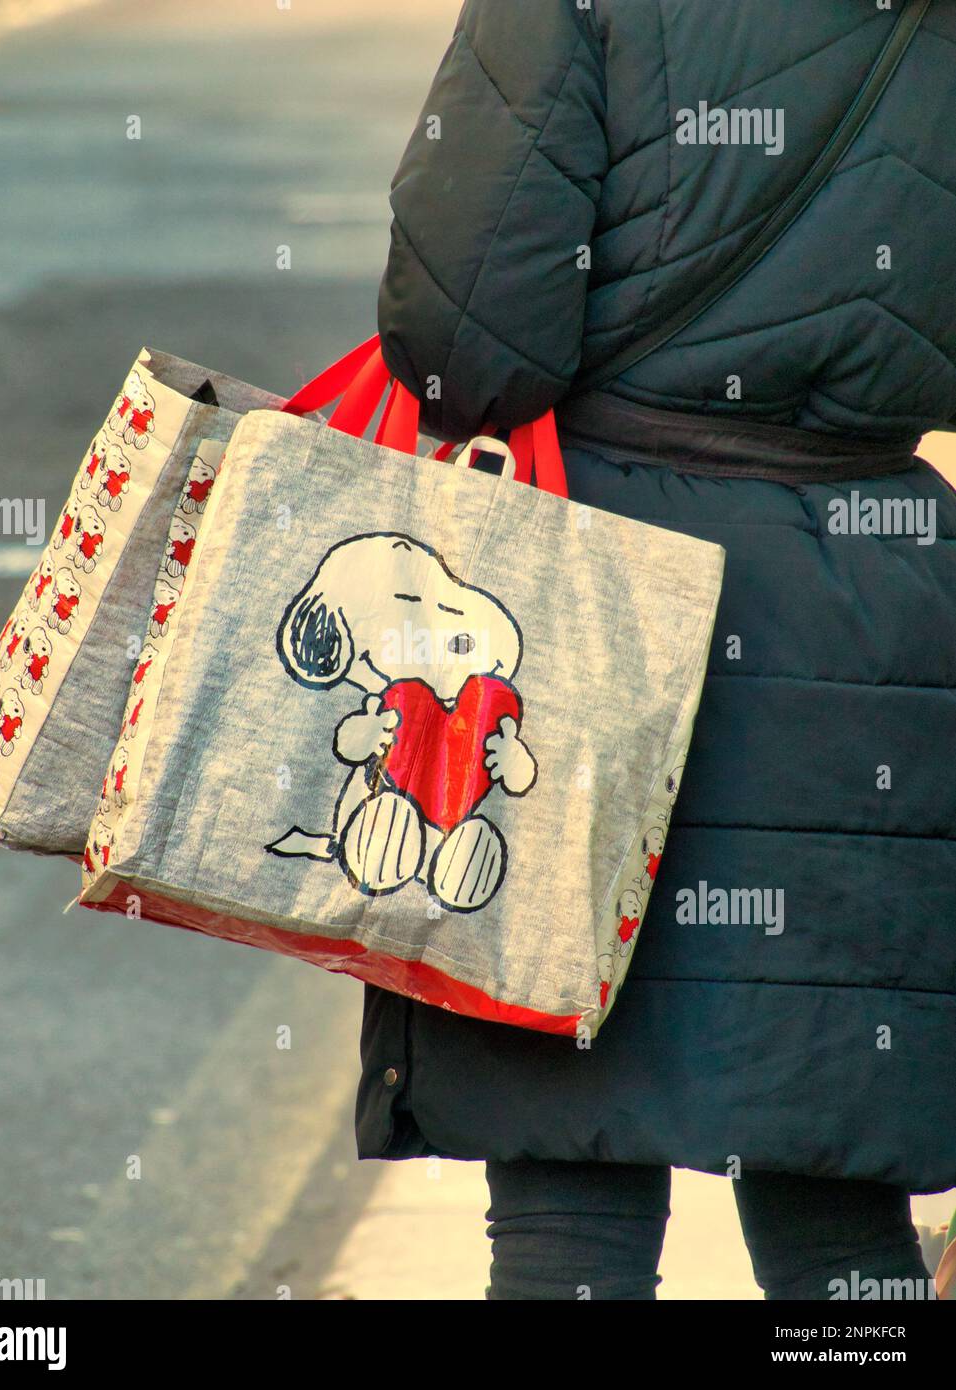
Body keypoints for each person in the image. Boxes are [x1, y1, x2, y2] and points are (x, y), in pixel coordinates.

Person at [353, 0, 956, 1301]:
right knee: (837, 1213)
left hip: (581, 601)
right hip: (875, 607)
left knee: (568, 1200)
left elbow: (471, 341)